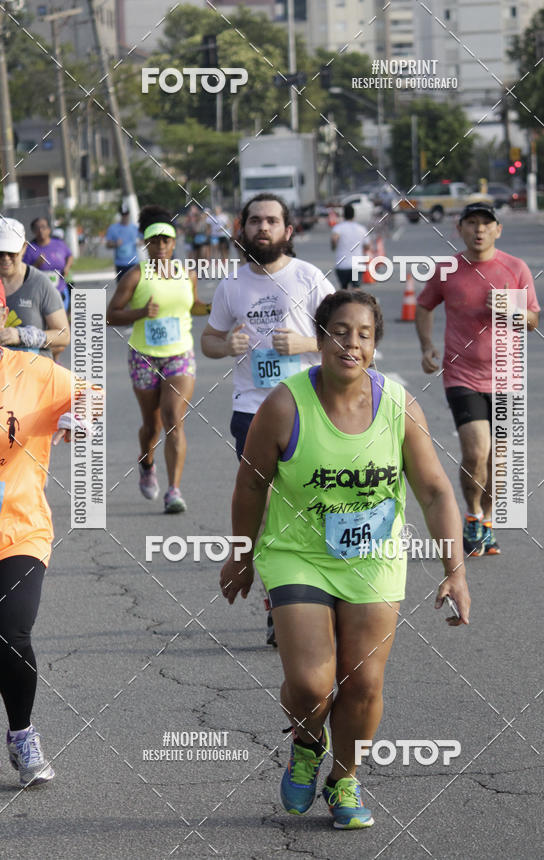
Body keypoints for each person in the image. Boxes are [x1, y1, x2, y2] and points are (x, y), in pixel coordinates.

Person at [219, 289, 470, 829]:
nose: (350, 342)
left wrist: (455, 570)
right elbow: (251, 483)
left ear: (375, 346)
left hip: (373, 558)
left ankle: (344, 778)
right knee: (312, 684)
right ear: (322, 338)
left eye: (364, 334)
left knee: (363, 683)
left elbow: (434, 492)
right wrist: (239, 554)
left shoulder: (400, 407)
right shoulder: (285, 404)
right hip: (298, 555)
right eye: (340, 331)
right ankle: (308, 741)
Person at [201, 192, 335, 644]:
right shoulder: (231, 286)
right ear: (243, 229)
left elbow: (347, 338)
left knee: (307, 508)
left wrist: (305, 345)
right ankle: (278, 605)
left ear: (288, 231)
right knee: (261, 515)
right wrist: (227, 347)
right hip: (251, 412)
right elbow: (209, 340)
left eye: (272, 221)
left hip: (307, 410)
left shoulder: (309, 278)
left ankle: (317, 595)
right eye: (255, 220)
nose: (263, 227)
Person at [415, 202, 540, 557]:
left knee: (498, 464)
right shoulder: (448, 269)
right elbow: (424, 306)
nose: (479, 230)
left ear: (498, 229)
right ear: (460, 229)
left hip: (506, 375)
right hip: (462, 374)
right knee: (476, 452)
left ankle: (485, 521)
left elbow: (532, 321)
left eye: (486, 223)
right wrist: (427, 346)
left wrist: (511, 311)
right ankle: (472, 516)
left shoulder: (515, 268)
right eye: (471, 223)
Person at [0, 277, 75, 786]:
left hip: (19, 529)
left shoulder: (33, 372)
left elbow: (89, 395)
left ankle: (22, 733)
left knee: (11, 631)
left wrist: (79, 417)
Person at [107, 204, 203, 513]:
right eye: (154, 241)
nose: (160, 246)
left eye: (166, 240)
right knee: (152, 425)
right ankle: (147, 463)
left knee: (174, 418)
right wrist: (140, 313)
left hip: (179, 355)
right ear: (146, 244)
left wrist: (220, 310)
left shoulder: (187, 275)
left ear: (174, 243)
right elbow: (110, 316)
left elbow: (195, 307)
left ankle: (174, 491)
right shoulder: (136, 276)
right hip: (144, 357)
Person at [0, 218, 70, 362]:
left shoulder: (40, 284)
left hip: (34, 375)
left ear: (24, 248)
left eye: (12, 252)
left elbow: (64, 336)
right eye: (0, 253)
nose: (5, 258)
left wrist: (23, 336)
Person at [23, 217, 73, 312]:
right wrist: (36, 264)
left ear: (49, 229)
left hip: (60, 289)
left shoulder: (59, 244)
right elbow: (24, 272)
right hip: (39, 293)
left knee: (62, 317)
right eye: (37, 228)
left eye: (43, 227)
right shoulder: (29, 249)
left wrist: (67, 267)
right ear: (33, 231)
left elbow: (69, 256)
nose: (41, 230)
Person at [330, 204, 370, 289]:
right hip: (357, 264)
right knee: (356, 288)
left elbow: (334, 239)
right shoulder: (361, 229)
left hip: (342, 264)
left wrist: (334, 246)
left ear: (343, 215)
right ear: (354, 215)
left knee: (344, 290)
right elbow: (367, 246)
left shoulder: (338, 228)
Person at [105, 203, 141, 281]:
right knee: (122, 287)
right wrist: (115, 244)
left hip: (133, 263)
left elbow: (144, 240)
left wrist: (139, 243)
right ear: (120, 215)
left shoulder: (135, 228)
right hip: (120, 264)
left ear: (129, 214)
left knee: (135, 286)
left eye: (126, 214)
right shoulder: (113, 228)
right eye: (123, 214)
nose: (125, 217)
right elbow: (107, 244)